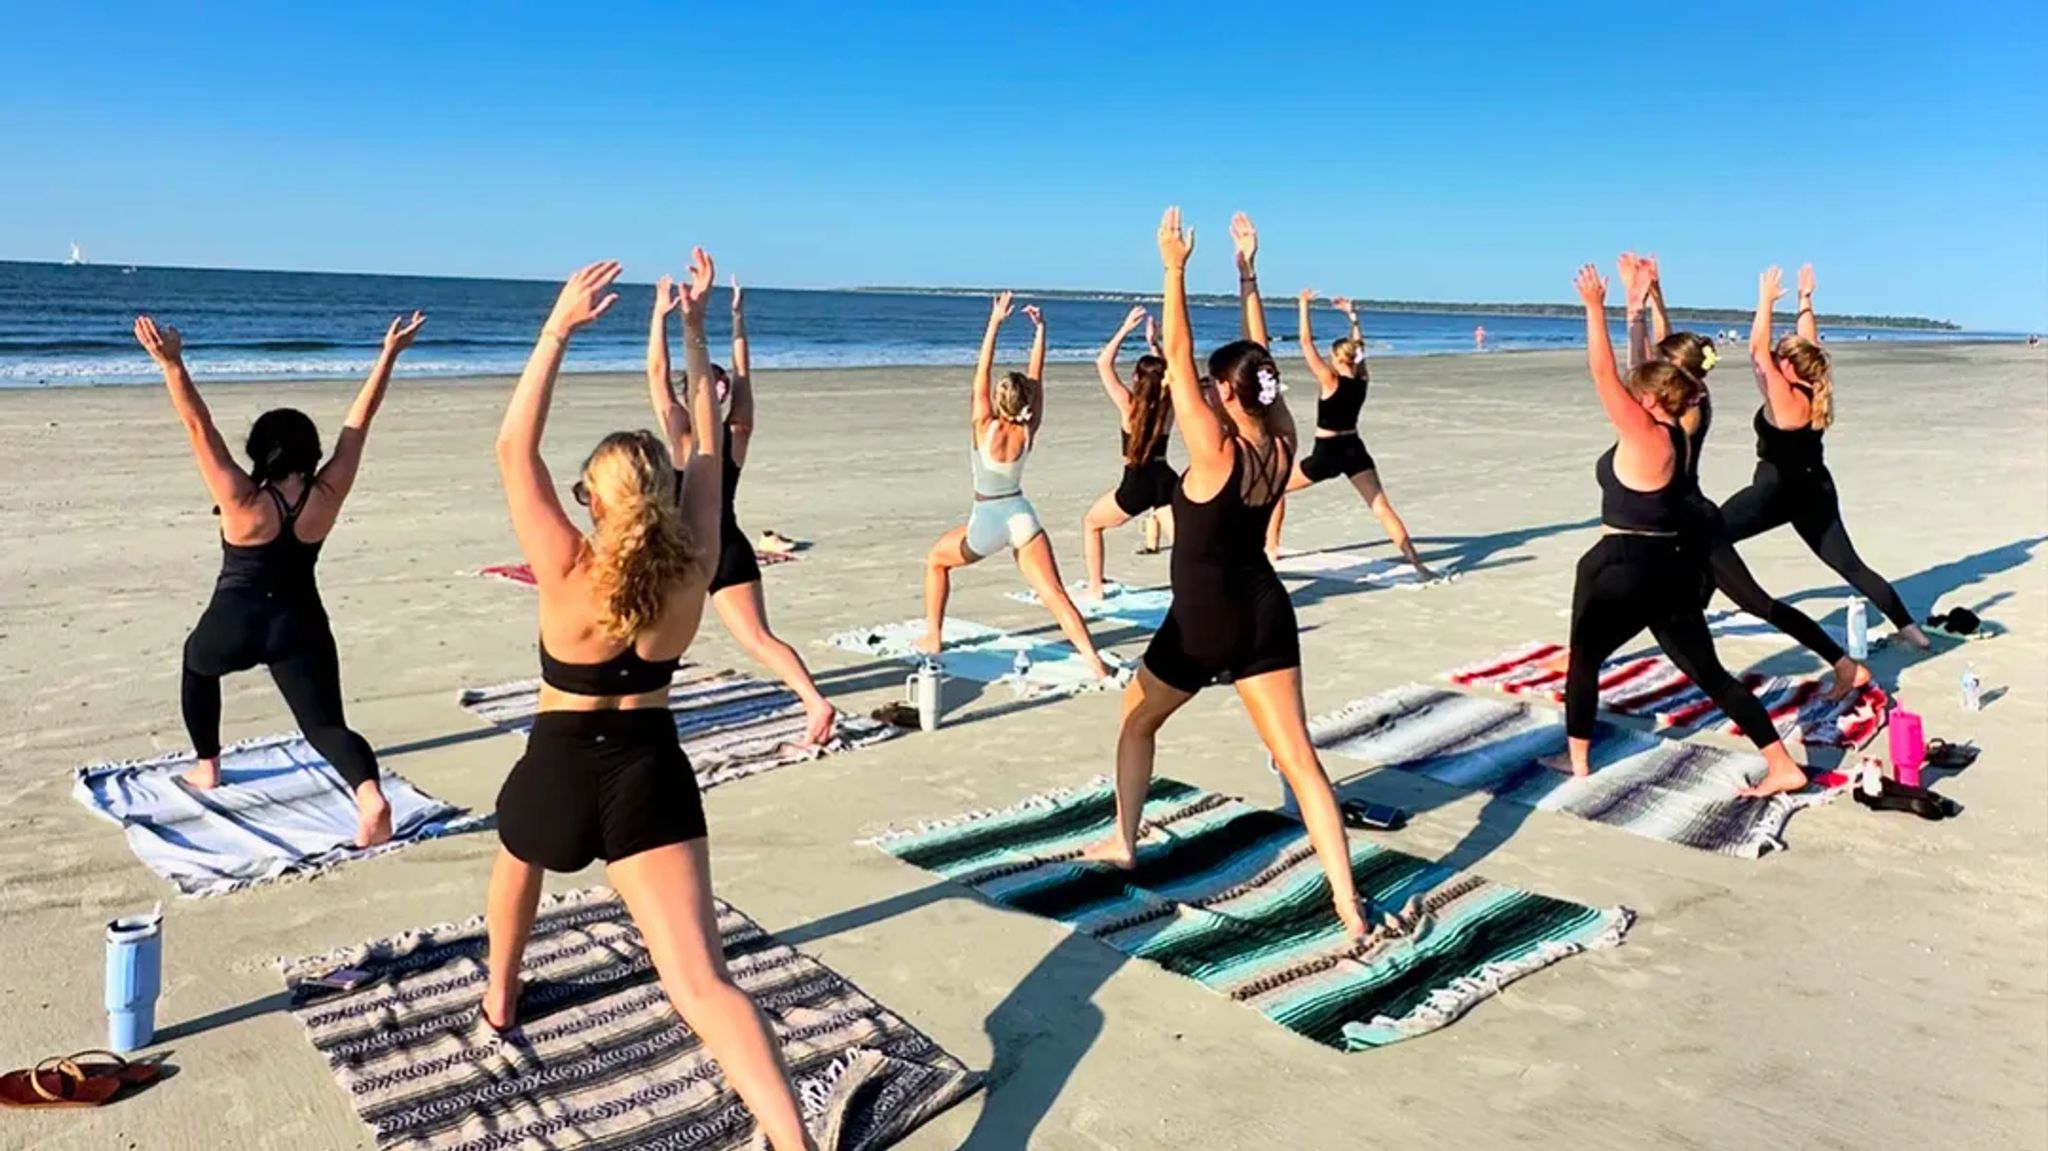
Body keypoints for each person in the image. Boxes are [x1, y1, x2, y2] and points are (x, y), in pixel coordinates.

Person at [485, 255, 815, 1151]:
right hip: (649, 777)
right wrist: (697, 330)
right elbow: (706, 446)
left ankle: (501, 994)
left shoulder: (567, 565)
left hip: (557, 771)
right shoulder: (696, 562)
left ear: (594, 502)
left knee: (518, 845)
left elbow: (512, 449)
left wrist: (556, 331)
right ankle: (793, 1140)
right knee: (703, 983)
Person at [1085, 209, 1368, 938]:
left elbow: (1179, 356)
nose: (1206, 393)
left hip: (1204, 621)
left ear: (1230, 395)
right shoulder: (1282, 437)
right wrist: (1247, 273)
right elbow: (1261, 359)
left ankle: (1124, 841)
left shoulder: (1216, 451)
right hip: (1266, 609)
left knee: (1136, 721)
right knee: (1299, 760)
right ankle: (1348, 903)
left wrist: (1173, 268)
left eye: (1216, 387)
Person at [138, 309, 425, 849]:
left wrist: (172, 365)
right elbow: (358, 426)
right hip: (301, 623)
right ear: (310, 452)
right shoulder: (327, 494)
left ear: (260, 451)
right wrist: (389, 354)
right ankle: (369, 797)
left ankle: (207, 766)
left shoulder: (241, 498)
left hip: (234, 621)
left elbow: (199, 428)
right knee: (326, 727)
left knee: (197, 664)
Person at [1546, 262, 1808, 798]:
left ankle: (1578, 761)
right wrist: (1636, 306)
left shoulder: (1645, 433)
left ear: (1647, 400)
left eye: (1637, 392)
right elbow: (1641, 370)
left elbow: (1604, 374)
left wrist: (1593, 309)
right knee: (1710, 674)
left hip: (1624, 567)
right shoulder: (1678, 428)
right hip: (1671, 569)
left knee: (1585, 657)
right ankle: (1781, 763)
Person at [1627, 255, 1871, 699]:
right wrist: (1653, 296)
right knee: (1649, 592)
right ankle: (1592, 654)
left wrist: (1635, 311)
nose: (1654, 369)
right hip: (1677, 522)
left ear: (1675, 374)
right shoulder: (1687, 392)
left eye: (1663, 366)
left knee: (1758, 603)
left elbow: (1643, 362)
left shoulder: (1685, 409)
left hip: (1692, 524)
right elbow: (1662, 348)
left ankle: (1843, 665)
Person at [648, 275, 835, 744]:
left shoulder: (683, 434)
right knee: (756, 639)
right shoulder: (736, 433)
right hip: (725, 546)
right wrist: (736, 317)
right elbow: (740, 374)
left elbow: (658, 374)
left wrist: (660, 315)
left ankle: (815, 703)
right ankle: (813, 701)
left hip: (686, 553)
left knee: (655, 638)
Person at [1718, 266, 1930, 650]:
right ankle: (1911, 631)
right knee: (1851, 566)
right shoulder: (1816, 386)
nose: (1774, 358)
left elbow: (1756, 351)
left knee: (1708, 535)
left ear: (1788, 367)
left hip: (1773, 493)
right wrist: (1805, 299)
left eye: (1780, 357)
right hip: (1815, 490)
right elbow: (1808, 345)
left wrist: (1765, 301)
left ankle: (1694, 611)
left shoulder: (1784, 397)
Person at [916, 293, 1111, 678]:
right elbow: (1037, 378)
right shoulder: (1028, 427)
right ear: (1025, 403)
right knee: (1055, 594)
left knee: (937, 561)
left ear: (998, 400)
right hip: (1021, 515)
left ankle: (934, 636)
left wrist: (995, 322)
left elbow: (981, 372)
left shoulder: (983, 424)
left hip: (987, 520)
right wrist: (1041, 331)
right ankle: (1094, 660)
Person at [1263, 292, 1434, 578]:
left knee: (1276, 488)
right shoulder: (1362, 380)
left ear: (1336, 358)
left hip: (1327, 453)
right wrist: (1353, 317)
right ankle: (1417, 564)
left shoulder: (1330, 380)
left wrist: (1303, 305)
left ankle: (1271, 548)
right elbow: (1360, 349)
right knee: (1381, 507)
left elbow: (1305, 342)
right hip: (1354, 449)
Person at [1079, 304, 1177, 599]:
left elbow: (1103, 363)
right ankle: (1196, 588)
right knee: (1184, 544)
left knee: (1091, 524)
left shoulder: (1129, 405)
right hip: (1165, 479)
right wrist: (1154, 343)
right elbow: (1173, 373)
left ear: (1136, 378)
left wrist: (1125, 329)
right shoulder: (1168, 405)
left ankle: (1096, 587)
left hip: (1136, 482)